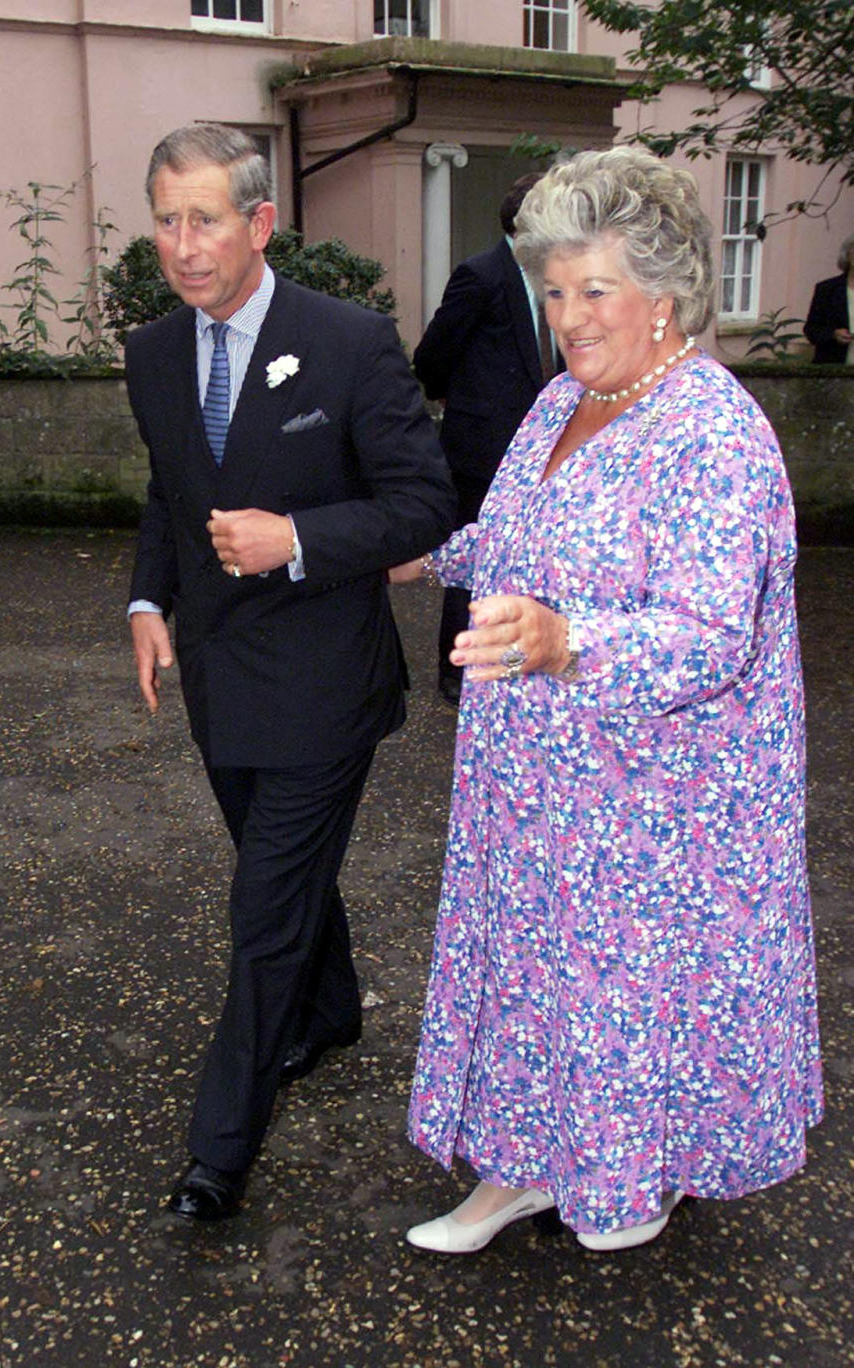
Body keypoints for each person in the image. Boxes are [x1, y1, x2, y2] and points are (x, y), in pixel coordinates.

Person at [392, 147, 823, 1254]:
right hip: (530, 778)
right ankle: (516, 1173)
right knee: (528, 976)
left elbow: (711, 634)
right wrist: (422, 553)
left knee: (616, 995)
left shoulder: (713, 431)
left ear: (664, 295)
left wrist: (565, 638)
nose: (569, 316)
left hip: (648, 798)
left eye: (596, 290)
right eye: (555, 291)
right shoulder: (559, 402)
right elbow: (514, 536)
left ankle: (626, 1175)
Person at [125, 123, 455, 1224]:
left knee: (263, 907)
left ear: (259, 223)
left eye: (204, 218)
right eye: (166, 218)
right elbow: (170, 497)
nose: (182, 243)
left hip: (323, 687)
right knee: (289, 871)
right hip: (220, 686)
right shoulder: (154, 354)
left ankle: (219, 1149)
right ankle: (331, 1011)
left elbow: (424, 505)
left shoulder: (350, 342)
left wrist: (298, 539)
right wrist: (144, 602)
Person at [413, 174, 552, 706]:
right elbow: (432, 357)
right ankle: (458, 670)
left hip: (541, 450)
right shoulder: (482, 275)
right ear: (527, 221)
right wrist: (460, 402)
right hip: (482, 451)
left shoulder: (552, 278)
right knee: (471, 563)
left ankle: (509, 655)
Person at [803, 234, 854, 363]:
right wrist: (833, 334)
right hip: (834, 369)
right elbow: (811, 330)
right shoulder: (827, 290)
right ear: (847, 255)